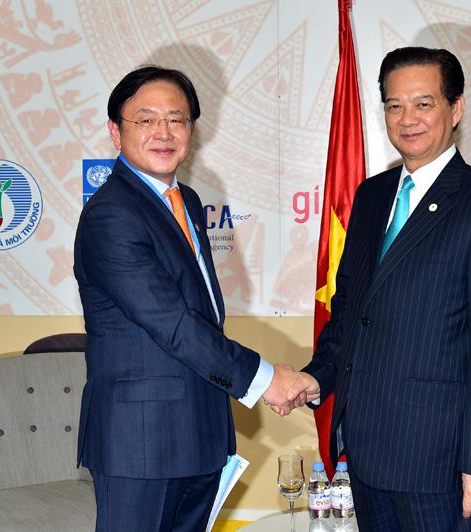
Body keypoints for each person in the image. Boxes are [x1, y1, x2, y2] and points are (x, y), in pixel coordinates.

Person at [287, 47, 471, 531]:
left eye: (424, 103)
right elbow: (351, 313)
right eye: (394, 105)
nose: (407, 119)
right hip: (366, 455)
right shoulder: (371, 196)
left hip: (445, 467)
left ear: (456, 108)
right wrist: (316, 379)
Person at [73, 65, 300, 532]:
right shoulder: (111, 215)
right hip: (141, 443)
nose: (163, 132)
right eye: (146, 119)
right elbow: (174, 324)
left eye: (176, 119)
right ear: (116, 132)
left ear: (192, 130)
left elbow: (202, 315)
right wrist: (264, 379)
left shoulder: (188, 201)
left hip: (201, 432)